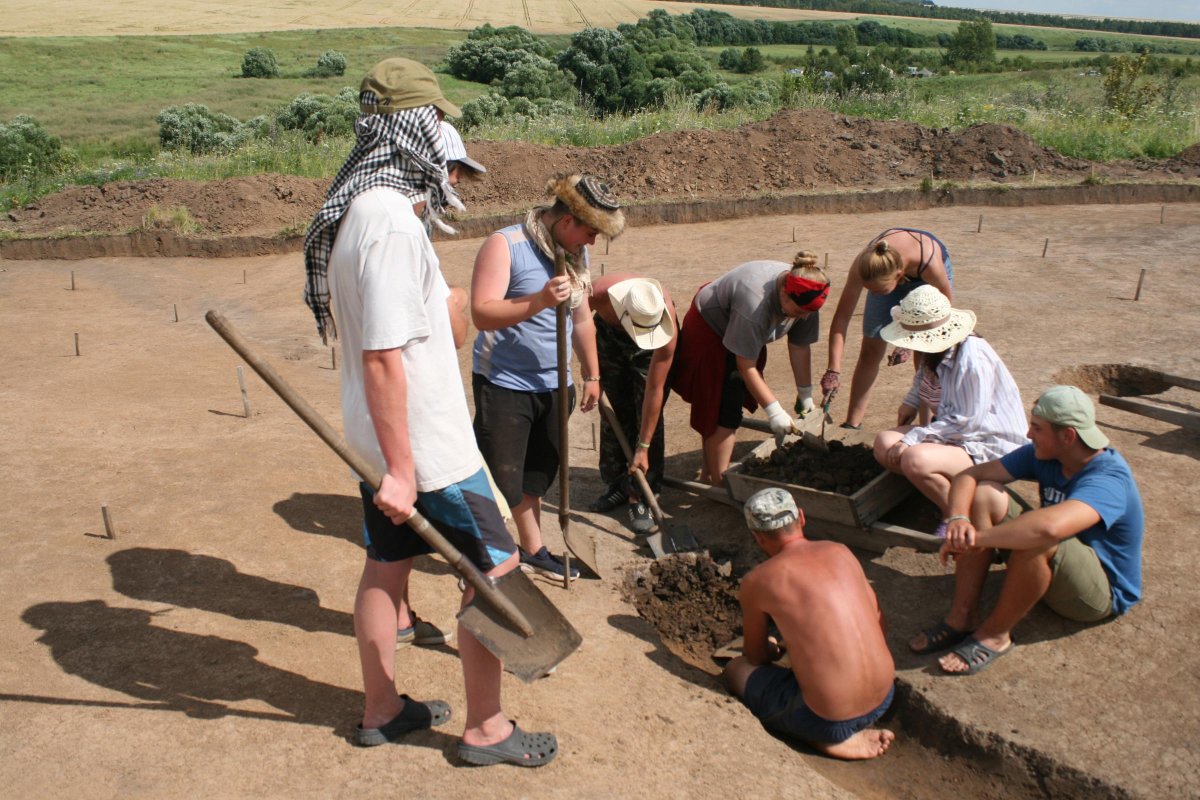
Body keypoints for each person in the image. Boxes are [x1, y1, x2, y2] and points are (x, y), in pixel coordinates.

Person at [302, 57, 556, 765]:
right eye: (437, 120)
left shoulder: (366, 211)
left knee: (385, 570)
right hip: (427, 452)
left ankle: (383, 709)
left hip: (387, 443)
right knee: (495, 573)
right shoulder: (385, 222)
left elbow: (415, 337)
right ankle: (486, 730)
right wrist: (409, 470)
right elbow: (383, 356)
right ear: (415, 128)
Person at [911, 385, 1145, 675]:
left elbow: (1048, 528)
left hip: (1099, 594)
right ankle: (963, 617)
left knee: (1039, 538)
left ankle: (995, 635)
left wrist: (976, 539)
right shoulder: (1045, 455)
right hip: (1061, 561)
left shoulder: (1108, 478)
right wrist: (958, 519)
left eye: (1037, 428)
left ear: (1068, 436)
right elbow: (970, 475)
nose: (1028, 434)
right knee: (985, 494)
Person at [471, 173, 624, 580]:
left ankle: (531, 548)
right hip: (504, 384)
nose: (591, 244)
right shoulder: (505, 246)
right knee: (502, 477)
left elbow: (581, 316)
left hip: (555, 384)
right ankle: (494, 553)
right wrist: (538, 301)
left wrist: (592, 374)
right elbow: (482, 313)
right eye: (590, 233)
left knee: (537, 474)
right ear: (566, 221)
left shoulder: (573, 255)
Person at [722, 488, 896, 760]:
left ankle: (822, 739)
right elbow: (879, 624)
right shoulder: (841, 551)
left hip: (828, 720)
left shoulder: (758, 581)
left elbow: (755, 657)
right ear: (802, 518)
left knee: (735, 670)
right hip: (885, 696)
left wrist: (771, 648)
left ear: (757, 536)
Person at [872, 286, 1027, 537]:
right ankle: (942, 493)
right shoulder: (936, 351)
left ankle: (957, 515)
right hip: (955, 435)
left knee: (914, 458)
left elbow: (968, 423)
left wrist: (912, 438)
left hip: (990, 442)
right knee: (884, 443)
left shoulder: (972, 359)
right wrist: (911, 402)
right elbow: (925, 377)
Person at [669, 252, 831, 487]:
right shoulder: (755, 304)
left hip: (742, 329)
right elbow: (746, 366)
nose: (805, 316)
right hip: (711, 329)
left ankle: (709, 472)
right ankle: (719, 481)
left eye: (809, 312)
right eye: (799, 312)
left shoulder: (807, 294)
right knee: (723, 406)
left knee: (728, 402)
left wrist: (805, 396)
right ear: (784, 293)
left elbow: (799, 347)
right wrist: (774, 411)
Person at [824, 227, 953, 429]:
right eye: (871, 291)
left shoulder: (930, 265)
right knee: (870, 349)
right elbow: (841, 318)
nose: (876, 295)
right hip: (889, 274)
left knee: (926, 354)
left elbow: (943, 318)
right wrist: (833, 369)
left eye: (879, 291)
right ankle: (852, 425)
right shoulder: (865, 265)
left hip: (923, 279)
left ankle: (928, 428)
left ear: (899, 276)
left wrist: (910, 340)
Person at [587, 273, 678, 534]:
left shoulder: (666, 328)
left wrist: (643, 447)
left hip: (652, 348)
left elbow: (654, 390)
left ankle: (642, 496)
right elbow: (577, 321)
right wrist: (591, 372)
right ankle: (616, 484)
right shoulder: (600, 293)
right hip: (608, 336)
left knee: (645, 415)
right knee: (613, 410)